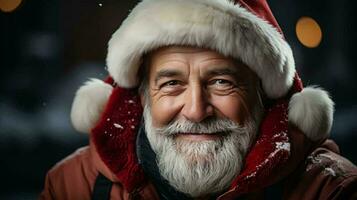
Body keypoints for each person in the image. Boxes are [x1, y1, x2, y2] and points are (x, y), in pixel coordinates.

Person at [40, 0, 357, 199]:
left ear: (262, 93)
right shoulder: (73, 185)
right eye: (172, 83)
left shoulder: (330, 190)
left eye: (222, 82)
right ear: (141, 95)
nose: (195, 111)